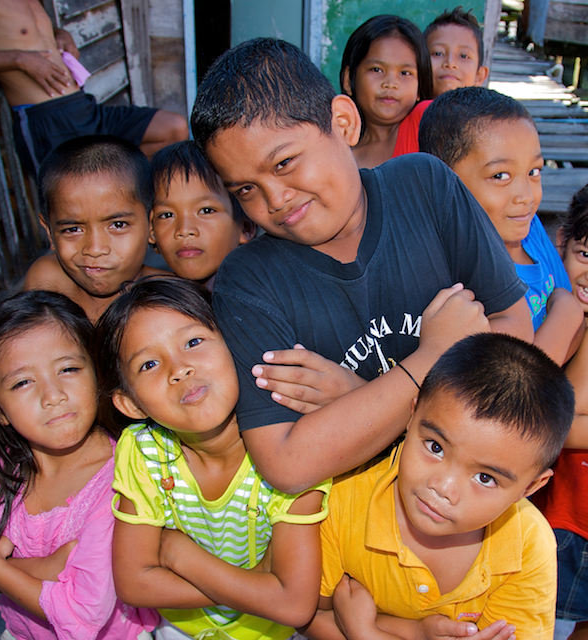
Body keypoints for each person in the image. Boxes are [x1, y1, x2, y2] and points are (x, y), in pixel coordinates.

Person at [190, 37, 533, 497]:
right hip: (345, 525)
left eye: (285, 162)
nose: (275, 200)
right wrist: (430, 358)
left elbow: (514, 328)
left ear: (343, 122)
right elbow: (286, 463)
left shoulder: (425, 187)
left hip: (459, 503)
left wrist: (356, 398)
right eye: (246, 190)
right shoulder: (247, 281)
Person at [93, 277, 331, 640]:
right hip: (181, 628)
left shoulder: (292, 442)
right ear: (131, 404)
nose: (179, 369)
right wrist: (257, 586)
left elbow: (294, 605)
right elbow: (134, 584)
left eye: (193, 342)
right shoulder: (144, 451)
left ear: (234, 344)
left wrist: (180, 557)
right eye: (149, 364)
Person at [304, 333, 574, 640]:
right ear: (412, 415)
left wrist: (366, 632)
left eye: (485, 478)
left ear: (530, 487)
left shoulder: (527, 547)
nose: (443, 487)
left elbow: (337, 615)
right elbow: (308, 612)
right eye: (435, 447)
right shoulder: (345, 500)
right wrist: (412, 632)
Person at [0, 290, 159, 640]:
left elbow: (85, 613)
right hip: (21, 632)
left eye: (68, 368)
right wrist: (44, 568)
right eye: (22, 382)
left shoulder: (123, 474)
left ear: (98, 373)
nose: (53, 395)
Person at [419, 86, 584, 365]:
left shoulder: (531, 233)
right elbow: (506, 383)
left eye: (534, 172)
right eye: (500, 175)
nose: (527, 197)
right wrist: (565, 317)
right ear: (441, 184)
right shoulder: (452, 281)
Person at [0, 0, 188, 174]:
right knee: (72, 203)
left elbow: (22, 32)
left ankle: (121, 190)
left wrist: (60, 33)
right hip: (45, 117)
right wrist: (19, 59)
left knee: (173, 128)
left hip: (85, 106)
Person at [23, 135, 170, 323]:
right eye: (72, 229)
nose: (95, 249)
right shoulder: (48, 282)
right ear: (49, 231)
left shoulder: (167, 297)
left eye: (118, 225)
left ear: (151, 225)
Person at [531, 186, 588, 640]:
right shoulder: (556, 312)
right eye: (585, 253)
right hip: (561, 515)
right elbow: (558, 415)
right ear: (561, 244)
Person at [149, 141, 256, 291]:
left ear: (245, 227)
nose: (185, 229)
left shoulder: (257, 295)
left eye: (206, 211)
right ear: (151, 231)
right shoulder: (146, 302)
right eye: (167, 215)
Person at [340, 15, 433, 168]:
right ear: (348, 79)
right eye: (376, 70)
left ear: (419, 85)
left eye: (405, 73)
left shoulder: (427, 123)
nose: (390, 84)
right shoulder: (340, 156)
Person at [423, 6, 489, 97]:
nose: (450, 63)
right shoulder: (404, 109)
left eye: (463, 56)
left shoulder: (487, 111)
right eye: (438, 53)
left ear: (479, 76)